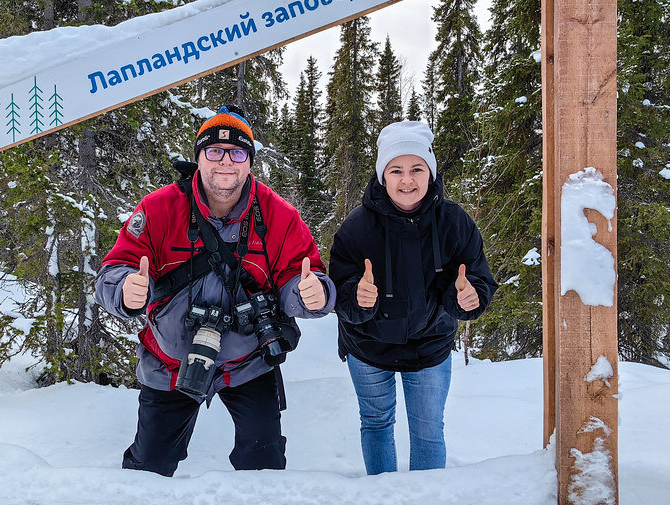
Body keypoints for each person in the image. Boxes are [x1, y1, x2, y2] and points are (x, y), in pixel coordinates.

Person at [95, 105, 335, 477]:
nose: (226, 161)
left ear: (250, 162)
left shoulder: (279, 215)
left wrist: (309, 295)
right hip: (170, 362)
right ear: (199, 157)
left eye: (237, 152)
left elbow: (300, 275)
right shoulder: (159, 209)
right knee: (148, 469)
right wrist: (126, 290)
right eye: (215, 151)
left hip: (248, 360)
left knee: (264, 465)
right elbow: (114, 269)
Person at [328, 120, 498, 475]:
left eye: (416, 169)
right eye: (397, 170)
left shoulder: (455, 222)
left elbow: (478, 280)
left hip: (430, 346)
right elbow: (338, 296)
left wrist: (469, 298)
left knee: (428, 432)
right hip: (368, 346)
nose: (407, 180)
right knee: (376, 423)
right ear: (382, 176)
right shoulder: (356, 228)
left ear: (430, 173)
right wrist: (358, 298)